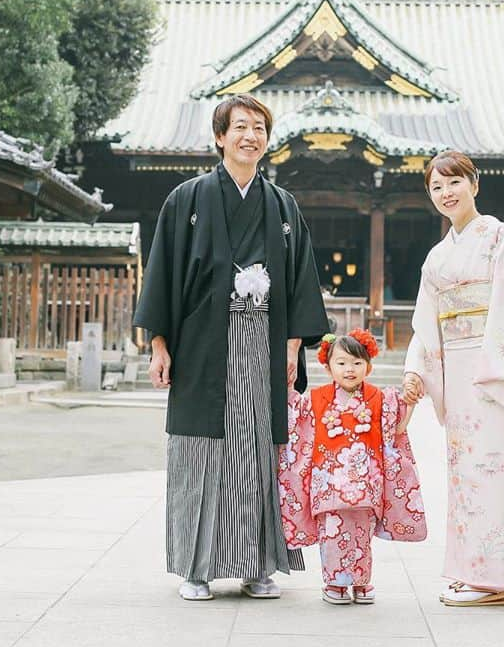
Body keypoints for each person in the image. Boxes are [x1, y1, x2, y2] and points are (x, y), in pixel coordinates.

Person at [134, 94, 329, 601]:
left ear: (268, 139)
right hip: (202, 344)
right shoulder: (187, 199)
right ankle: (195, 568)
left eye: (259, 128)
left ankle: (257, 564)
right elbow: (163, 276)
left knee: (260, 452)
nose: (250, 136)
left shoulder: (283, 205)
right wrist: (159, 345)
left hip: (265, 343)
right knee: (201, 453)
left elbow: (300, 281)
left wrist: (291, 348)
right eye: (240, 127)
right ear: (220, 137)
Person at [402, 150, 504, 607]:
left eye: (454, 183)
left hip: (492, 367)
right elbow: (427, 321)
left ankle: (495, 578)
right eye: (436, 187)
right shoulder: (438, 255)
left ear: (475, 184)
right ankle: (472, 570)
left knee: (492, 469)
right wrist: (415, 370)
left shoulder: (501, 237)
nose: (446, 193)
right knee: (464, 471)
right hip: (456, 369)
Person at [278, 330, 427, 605]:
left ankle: (360, 581)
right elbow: (295, 420)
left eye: (357, 363)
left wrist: (410, 397)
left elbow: (399, 426)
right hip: (329, 484)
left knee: (361, 535)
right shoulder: (315, 398)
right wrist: (286, 389)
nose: (350, 369)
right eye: (342, 363)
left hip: (365, 485)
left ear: (368, 366)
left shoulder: (380, 398)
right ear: (328, 366)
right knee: (332, 534)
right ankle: (335, 582)